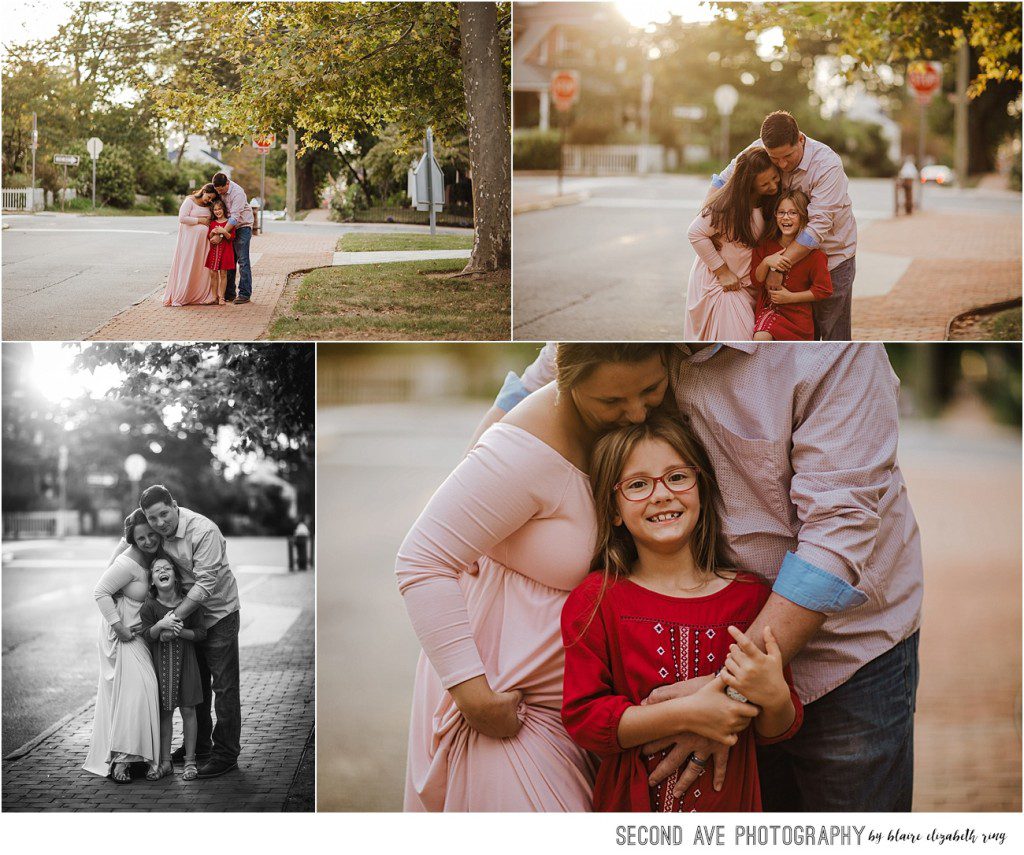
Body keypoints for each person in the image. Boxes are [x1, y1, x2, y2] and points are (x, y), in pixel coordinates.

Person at [489, 343, 923, 811]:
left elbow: (838, 532)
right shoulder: (622, 331)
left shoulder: (832, 351)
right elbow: (525, 406)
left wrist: (725, 696)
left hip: (845, 651)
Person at [395, 344, 673, 811]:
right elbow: (421, 560)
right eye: (612, 401)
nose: (636, 412)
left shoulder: (615, 420)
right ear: (568, 383)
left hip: (579, 720)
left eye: (651, 389)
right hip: (508, 715)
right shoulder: (525, 450)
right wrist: (474, 697)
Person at [562, 415, 802, 811]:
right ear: (613, 509)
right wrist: (686, 713)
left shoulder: (751, 598)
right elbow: (584, 719)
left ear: (702, 489)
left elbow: (777, 728)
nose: (661, 495)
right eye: (638, 484)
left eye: (676, 477)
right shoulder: (596, 601)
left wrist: (775, 697)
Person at [110, 484, 242, 778]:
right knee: (199, 689)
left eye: (163, 515)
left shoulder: (202, 530)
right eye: (152, 518)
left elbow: (206, 585)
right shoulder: (158, 536)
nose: (159, 523)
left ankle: (226, 753)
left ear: (174, 505)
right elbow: (132, 537)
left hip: (218, 615)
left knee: (224, 687)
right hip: (188, 620)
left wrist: (170, 619)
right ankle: (200, 747)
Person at [714, 111, 857, 340]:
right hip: (784, 260)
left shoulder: (827, 164)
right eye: (774, 158)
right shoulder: (759, 148)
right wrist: (707, 219)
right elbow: (722, 181)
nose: (782, 164)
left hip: (832, 258)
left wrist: (778, 268)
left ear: (800, 139)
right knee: (795, 338)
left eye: (788, 156)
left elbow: (816, 230)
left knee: (833, 338)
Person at [83, 510, 161, 782]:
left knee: (140, 693)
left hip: (140, 633)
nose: (148, 540)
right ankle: (120, 761)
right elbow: (100, 591)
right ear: (132, 539)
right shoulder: (127, 562)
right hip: (121, 634)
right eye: (141, 537)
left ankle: (135, 755)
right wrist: (120, 628)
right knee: (137, 691)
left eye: (151, 534)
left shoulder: (155, 555)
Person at [684, 148, 780, 341]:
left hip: (747, 286)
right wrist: (722, 272)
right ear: (749, 185)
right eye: (764, 183)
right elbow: (695, 232)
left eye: (775, 178)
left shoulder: (767, 202)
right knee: (738, 346)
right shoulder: (728, 207)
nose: (773, 186)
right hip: (723, 286)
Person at [139, 557, 207, 782]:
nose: (162, 571)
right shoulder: (150, 606)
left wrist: (179, 631)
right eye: (157, 569)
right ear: (152, 580)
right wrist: (160, 626)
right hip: (162, 668)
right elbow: (147, 635)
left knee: (189, 711)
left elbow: (201, 633)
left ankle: (190, 761)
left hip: (187, 665)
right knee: (165, 713)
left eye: (167, 568)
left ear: (176, 576)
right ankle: (166, 762)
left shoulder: (190, 603)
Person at [751, 190, 833, 341]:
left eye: (793, 213)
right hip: (770, 310)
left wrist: (790, 297)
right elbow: (756, 281)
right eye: (781, 212)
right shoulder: (764, 246)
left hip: (799, 318)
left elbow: (823, 290)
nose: (786, 217)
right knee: (761, 337)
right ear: (775, 215)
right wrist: (766, 261)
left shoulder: (815, 256)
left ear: (803, 216)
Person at [163, 184, 218, 307]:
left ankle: (200, 294)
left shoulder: (209, 206)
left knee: (201, 268)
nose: (209, 200)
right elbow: (182, 218)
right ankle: (183, 295)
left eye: (211, 199)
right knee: (187, 265)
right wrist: (200, 221)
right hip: (189, 242)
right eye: (209, 197)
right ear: (203, 191)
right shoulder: (189, 201)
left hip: (204, 244)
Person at [211, 172, 254, 304]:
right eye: (218, 190)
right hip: (228, 228)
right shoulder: (219, 190)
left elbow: (234, 218)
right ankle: (229, 293)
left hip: (242, 227)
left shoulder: (238, 193)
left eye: (222, 189)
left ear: (227, 183)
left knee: (243, 260)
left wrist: (220, 234)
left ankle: (244, 294)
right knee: (229, 261)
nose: (220, 193)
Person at [204, 199, 236, 305]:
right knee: (213, 273)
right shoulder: (212, 223)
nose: (217, 211)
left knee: (223, 274)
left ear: (224, 209)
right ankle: (214, 297)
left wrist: (224, 232)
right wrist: (212, 233)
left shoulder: (230, 222)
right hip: (214, 252)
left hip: (225, 252)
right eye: (215, 210)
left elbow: (232, 238)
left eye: (219, 209)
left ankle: (222, 297)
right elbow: (209, 238)